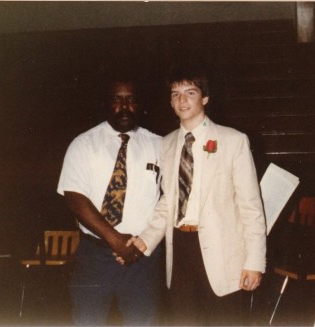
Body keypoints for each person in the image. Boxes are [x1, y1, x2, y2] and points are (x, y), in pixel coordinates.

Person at [126, 63, 267, 326]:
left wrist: (255, 261)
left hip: (223, 255)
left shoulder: (233, 140)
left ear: (205, 98)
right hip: (179, 251)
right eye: (175, 93)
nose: (182, 99)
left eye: (190, 92)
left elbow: (251, 206)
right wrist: (145, 240)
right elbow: (168, 201)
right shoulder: (166, 143)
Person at [57, 75, 163, 326]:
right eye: (117, 100)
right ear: (106, 103)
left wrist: (141, 243)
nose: (124, 107)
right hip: (95, 256)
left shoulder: (159, 145)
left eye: (131, 100)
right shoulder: (83, 144)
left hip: (143, 258)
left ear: (140, 104)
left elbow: (169, 200)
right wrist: (115, 240)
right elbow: (74, 198)